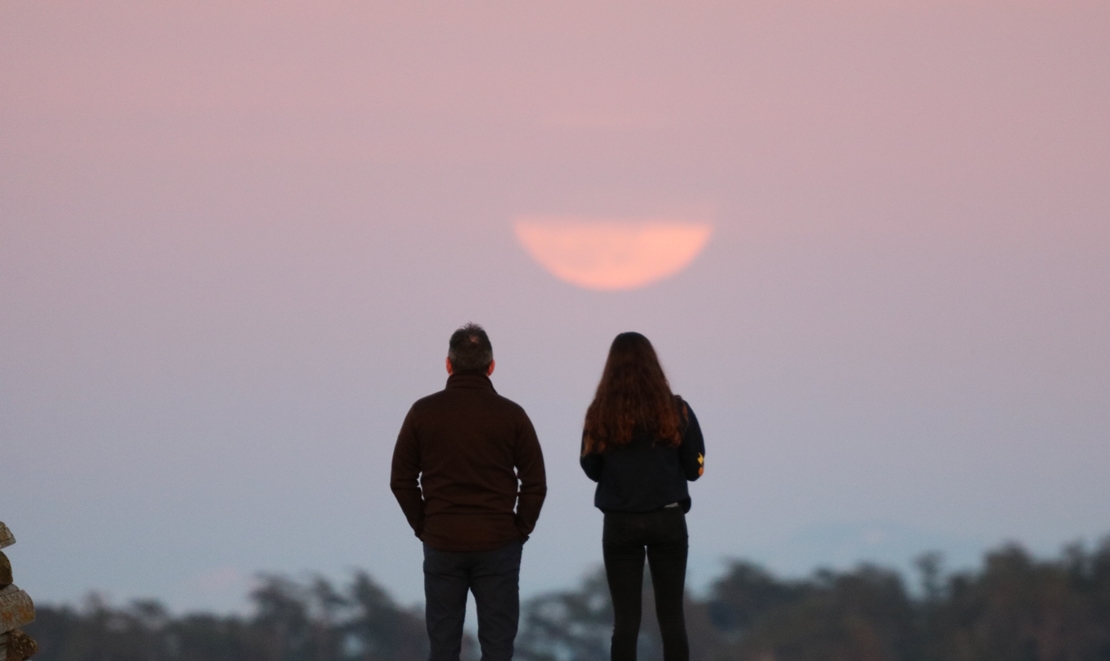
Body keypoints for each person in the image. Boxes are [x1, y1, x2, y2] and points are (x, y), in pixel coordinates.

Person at [391, 323, 547, 661]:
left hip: (443, 541)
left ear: (448, 364)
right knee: (498, 644)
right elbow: (535, 483)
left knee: (443, 646)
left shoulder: (423, 412)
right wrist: (518, 529)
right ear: (491, 366)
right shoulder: (513, 415)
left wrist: (424, 525)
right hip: (498, 543)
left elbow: (401, 480)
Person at [580, 332, 705, 661]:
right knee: (672, 619)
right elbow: (695, 468)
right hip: (668, 518)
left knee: (625, 622)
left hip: (620, 521)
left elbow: (590, 466)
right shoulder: (678, 410)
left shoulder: (598, 413)